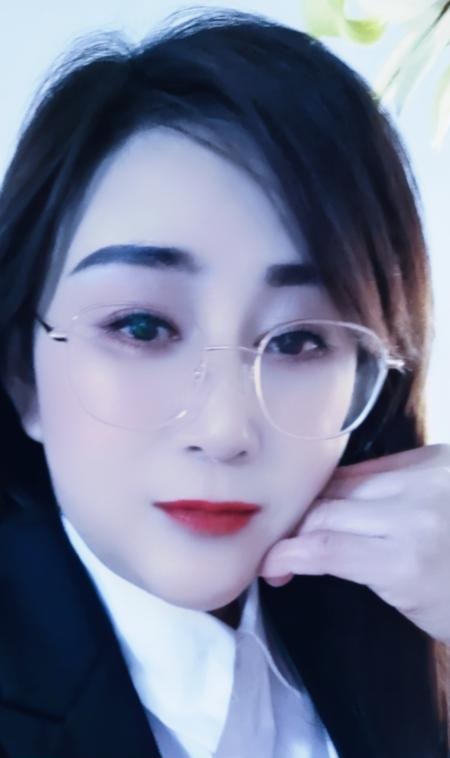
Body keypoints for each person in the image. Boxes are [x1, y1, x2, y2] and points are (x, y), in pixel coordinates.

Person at [0, 7, 449, 757]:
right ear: (23, 372)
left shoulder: (396, 635)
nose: (225, 430)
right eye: (142, 327)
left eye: (300, 340)